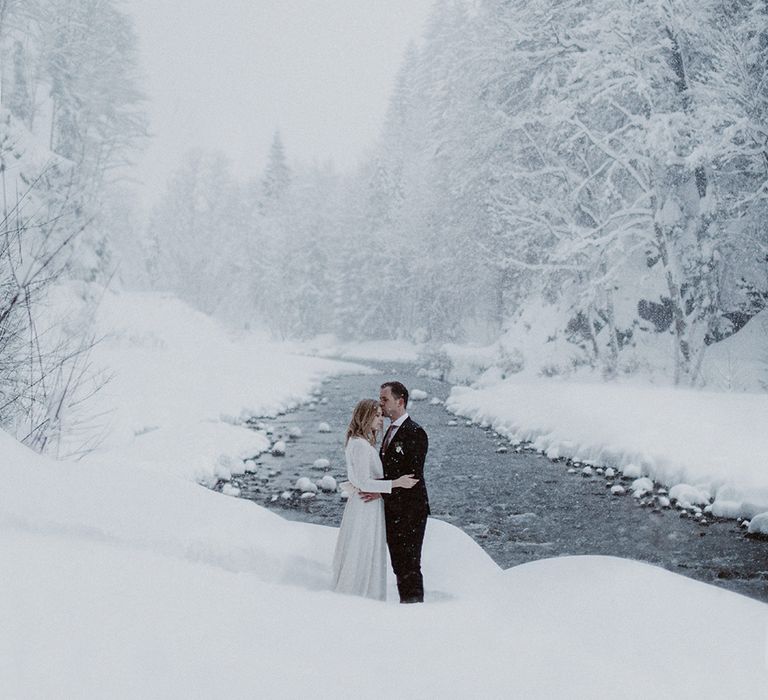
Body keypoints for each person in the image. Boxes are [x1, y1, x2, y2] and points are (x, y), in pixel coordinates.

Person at [331, 399, 418, 600]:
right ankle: (362, 594)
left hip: (364, 504)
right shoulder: (361, 445)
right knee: (364, 549)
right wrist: (397, 483)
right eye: (377, 415)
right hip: (366, 506)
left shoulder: (357, 441)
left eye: (381, 415)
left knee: (362, 548)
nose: (381, 420)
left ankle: (362, 592)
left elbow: (360, 479)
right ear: (365, 417)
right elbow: (364, 482)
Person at [368, 381, 430, 604]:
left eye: (384, 399)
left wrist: (381, 490)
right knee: (398, 563)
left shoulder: (416, 433)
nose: (380, 404)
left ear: (400, 401)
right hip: (394, 510)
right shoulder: (389, 431)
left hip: (410, 511)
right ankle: (407, 607)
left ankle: (414, 608)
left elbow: (412, 476)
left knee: (409, 565)